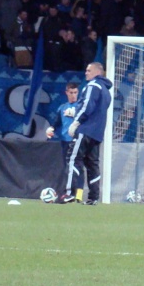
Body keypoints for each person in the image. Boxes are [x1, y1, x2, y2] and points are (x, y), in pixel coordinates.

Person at [64, 62, 113, 205]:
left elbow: (87, 106)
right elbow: (95, 110)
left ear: (97, 72)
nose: (86, 73)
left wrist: (76, 122)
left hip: (85, 130)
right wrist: (75, 112)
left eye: (88, 70)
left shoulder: (93, 85)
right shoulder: (106, 91)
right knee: (92, 164)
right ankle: (93, 197)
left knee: (73, 159)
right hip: (97, 133)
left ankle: (69, 193)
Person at [47, 82, 82, 202]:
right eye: (71, 92)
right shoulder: (62, 108)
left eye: (75, 92)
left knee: (78, 167)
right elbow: (56, 123)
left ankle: (78, 195)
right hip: (65, 141)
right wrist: (51, 129)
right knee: (66, 168)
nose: (73, 95)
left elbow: (86, 118)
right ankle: (68, 193)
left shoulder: (81, 106)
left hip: (77, 140)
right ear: (66, 93)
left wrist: (75, 114)